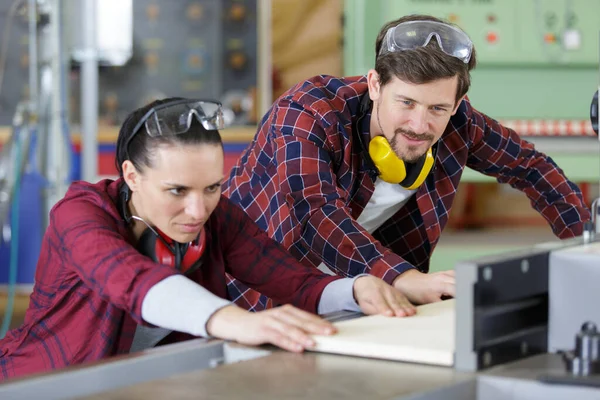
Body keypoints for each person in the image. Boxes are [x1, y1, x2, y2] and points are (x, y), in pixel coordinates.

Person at [0, 98, 416, 380]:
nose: (199, 211)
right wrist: (235, 321)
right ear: (130, 176)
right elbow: (133, 281)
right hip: (43, 383)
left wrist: (356, 289)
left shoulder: (218, 218)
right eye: (177, 191)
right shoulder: (80, 213)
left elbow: (294, 281)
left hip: (147, 383)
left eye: (212, 188)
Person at [222, 14, 591, 309]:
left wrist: (588, 250)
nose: (420, 124)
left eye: (437, 108)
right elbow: (313, 212)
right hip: (245, 297)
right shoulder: (308, 111)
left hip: (357, 302)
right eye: (406, 103)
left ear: (458, 103)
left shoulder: (459, 122)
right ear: (375, 85)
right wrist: (403, 278)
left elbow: (532, 167)